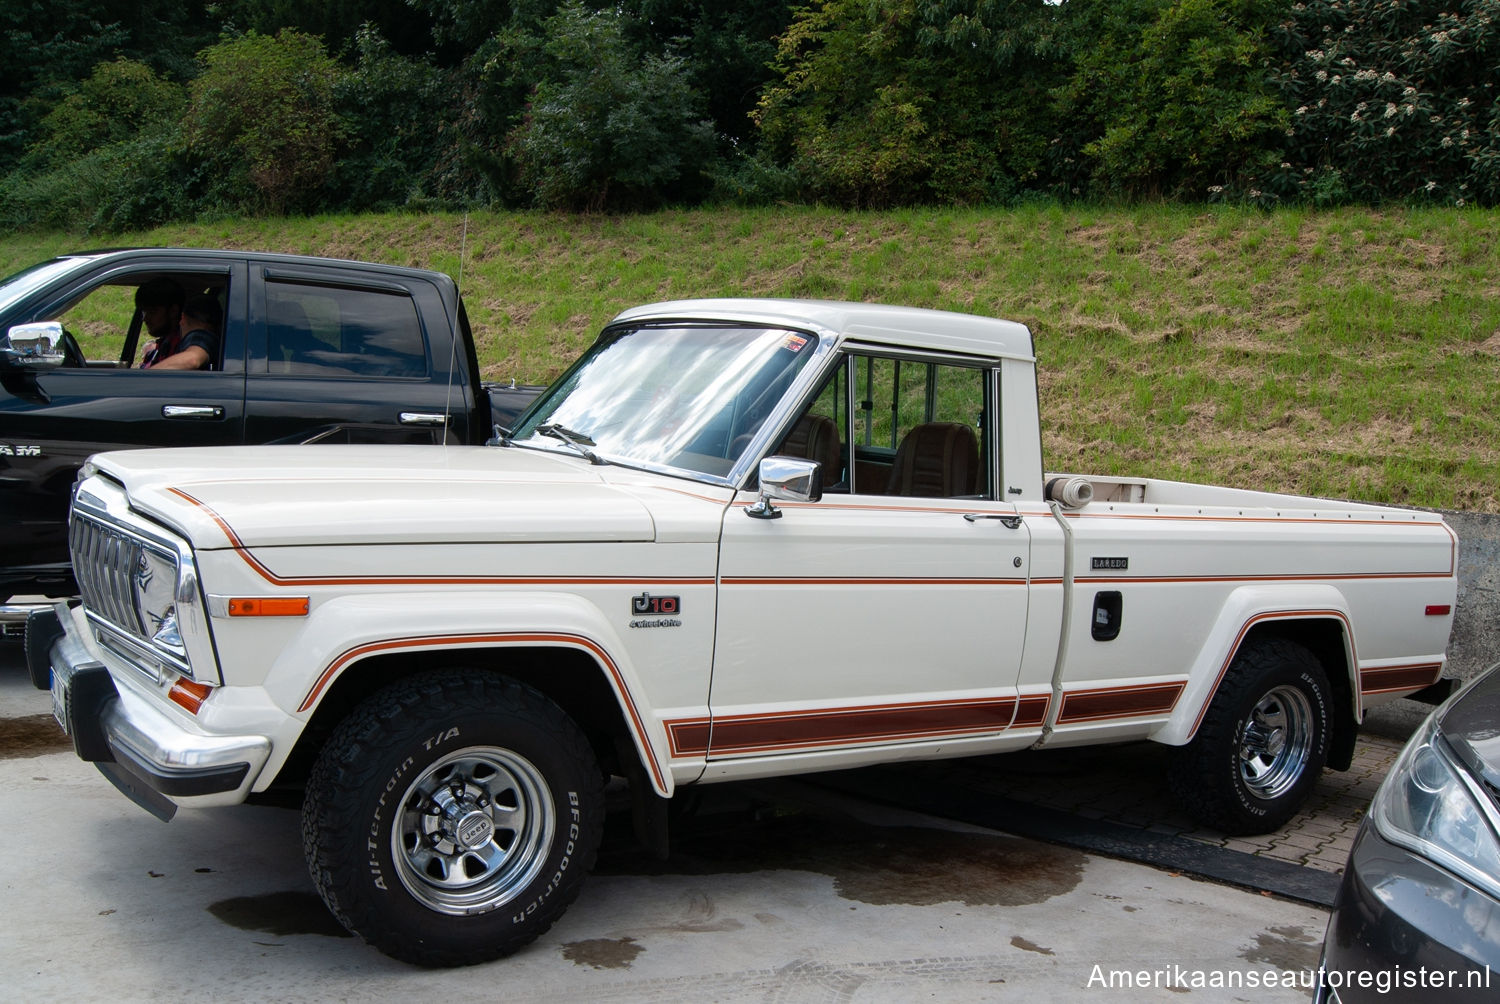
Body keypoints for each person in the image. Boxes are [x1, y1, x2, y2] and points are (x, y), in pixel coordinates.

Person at [141, 288, 221, 370]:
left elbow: (192, 359)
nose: (145, 319)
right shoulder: (166, 342)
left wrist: (143, 379)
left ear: (182, 318)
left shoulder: (202, 337)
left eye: (152, 312)